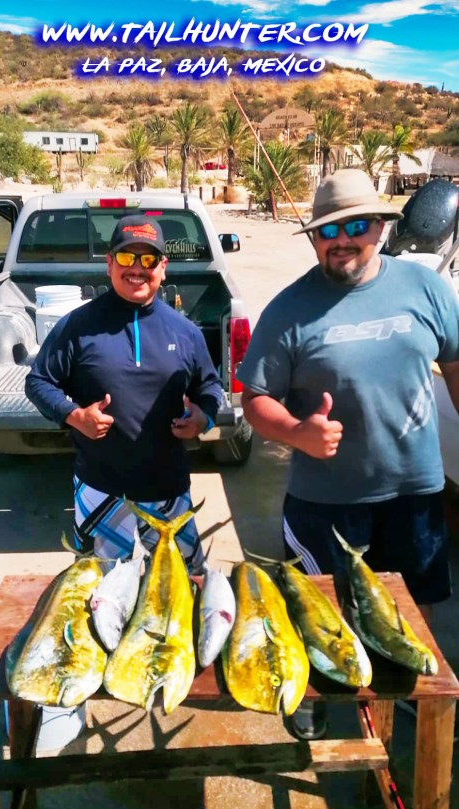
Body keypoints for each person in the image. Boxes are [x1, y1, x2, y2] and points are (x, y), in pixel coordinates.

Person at [237, 169, 459, 739]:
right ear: (314, 238)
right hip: (324, 502)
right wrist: (296, 432)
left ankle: (403, 691)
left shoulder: (426, 288)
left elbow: (455, 365)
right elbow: (254, 400)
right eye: (328, 230)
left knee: (414, 608)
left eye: (356, 226)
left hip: (414, 491)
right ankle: (312, 694)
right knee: (318, 611)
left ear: (381, 227)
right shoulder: (288, 310)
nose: (342, 240)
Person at [26, 214, 222, 571]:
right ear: (109, 263)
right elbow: (38, 381)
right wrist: (73, 416)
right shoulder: (78, 326)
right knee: (101, 591)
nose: (137, 268)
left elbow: (209, 386)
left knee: (181, 587)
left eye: (148, 259)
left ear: (163, 267)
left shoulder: (185, 332)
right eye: (126, 256)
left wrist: (203, 418)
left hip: (168, 491)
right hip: (100, 488)